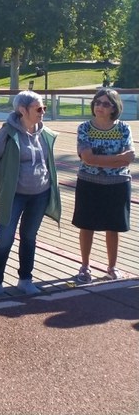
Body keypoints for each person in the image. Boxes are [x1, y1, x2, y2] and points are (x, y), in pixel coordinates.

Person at [0, 91, 61, 297]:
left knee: (29, 237)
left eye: (43, 108)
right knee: (4, 238)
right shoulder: (8, 133)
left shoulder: (45, 133)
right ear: (22, 110)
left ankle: (25, 279)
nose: (43, 112)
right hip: (15, 195)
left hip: (40, 195)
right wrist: (6, 179)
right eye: (38, 108)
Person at [72, 89, 134, 283]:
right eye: (97, 102)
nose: (100, 106)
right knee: (86, 225)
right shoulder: (84, 128)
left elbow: (128, 158)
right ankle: (85, 267)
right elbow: (87, 158)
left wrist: (98, 160)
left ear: (114, 107)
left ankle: (112, 267)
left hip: (117, 184)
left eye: (106, 104)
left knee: (113, 227)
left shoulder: (124, 128)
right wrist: (116, 160)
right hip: (89, 183)